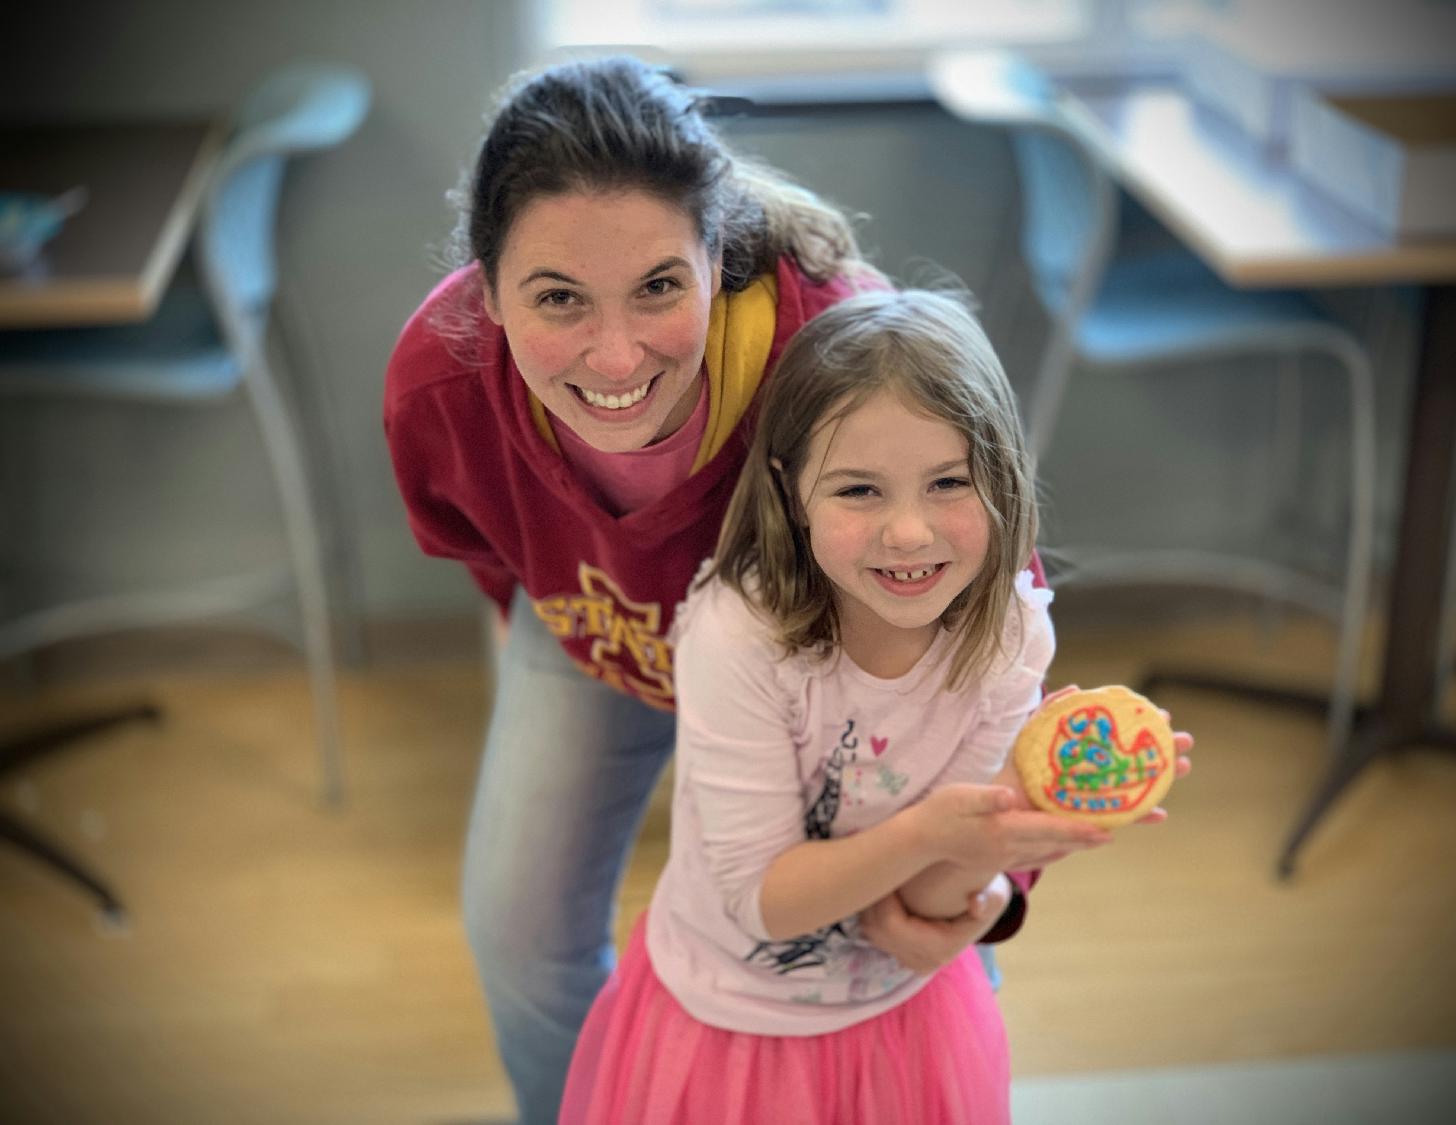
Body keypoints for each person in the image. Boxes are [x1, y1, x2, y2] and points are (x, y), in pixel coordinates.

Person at [384, 55, 1107, 1124]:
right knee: (520, 933)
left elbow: (990, 601)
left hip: (855, 658)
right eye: (557, 299)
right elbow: (488, 551)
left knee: (923, 959)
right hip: (598, 634)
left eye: (659, 288)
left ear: (717, 257)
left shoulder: (838, 348)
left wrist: (989, 899)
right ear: (483, 291)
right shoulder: (438, 386)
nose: (617, 352)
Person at [558, 289, 1194, 1124]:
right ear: (790, 492)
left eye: (947, 483)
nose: (908, 532)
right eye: (859, 490)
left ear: (999, 476)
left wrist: (1005, 831)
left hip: (907, 1019)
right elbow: (767, 899)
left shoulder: (1008, 634)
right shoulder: (737, 637)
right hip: (729, 1023)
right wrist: (941, 831)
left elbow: (922, 909)